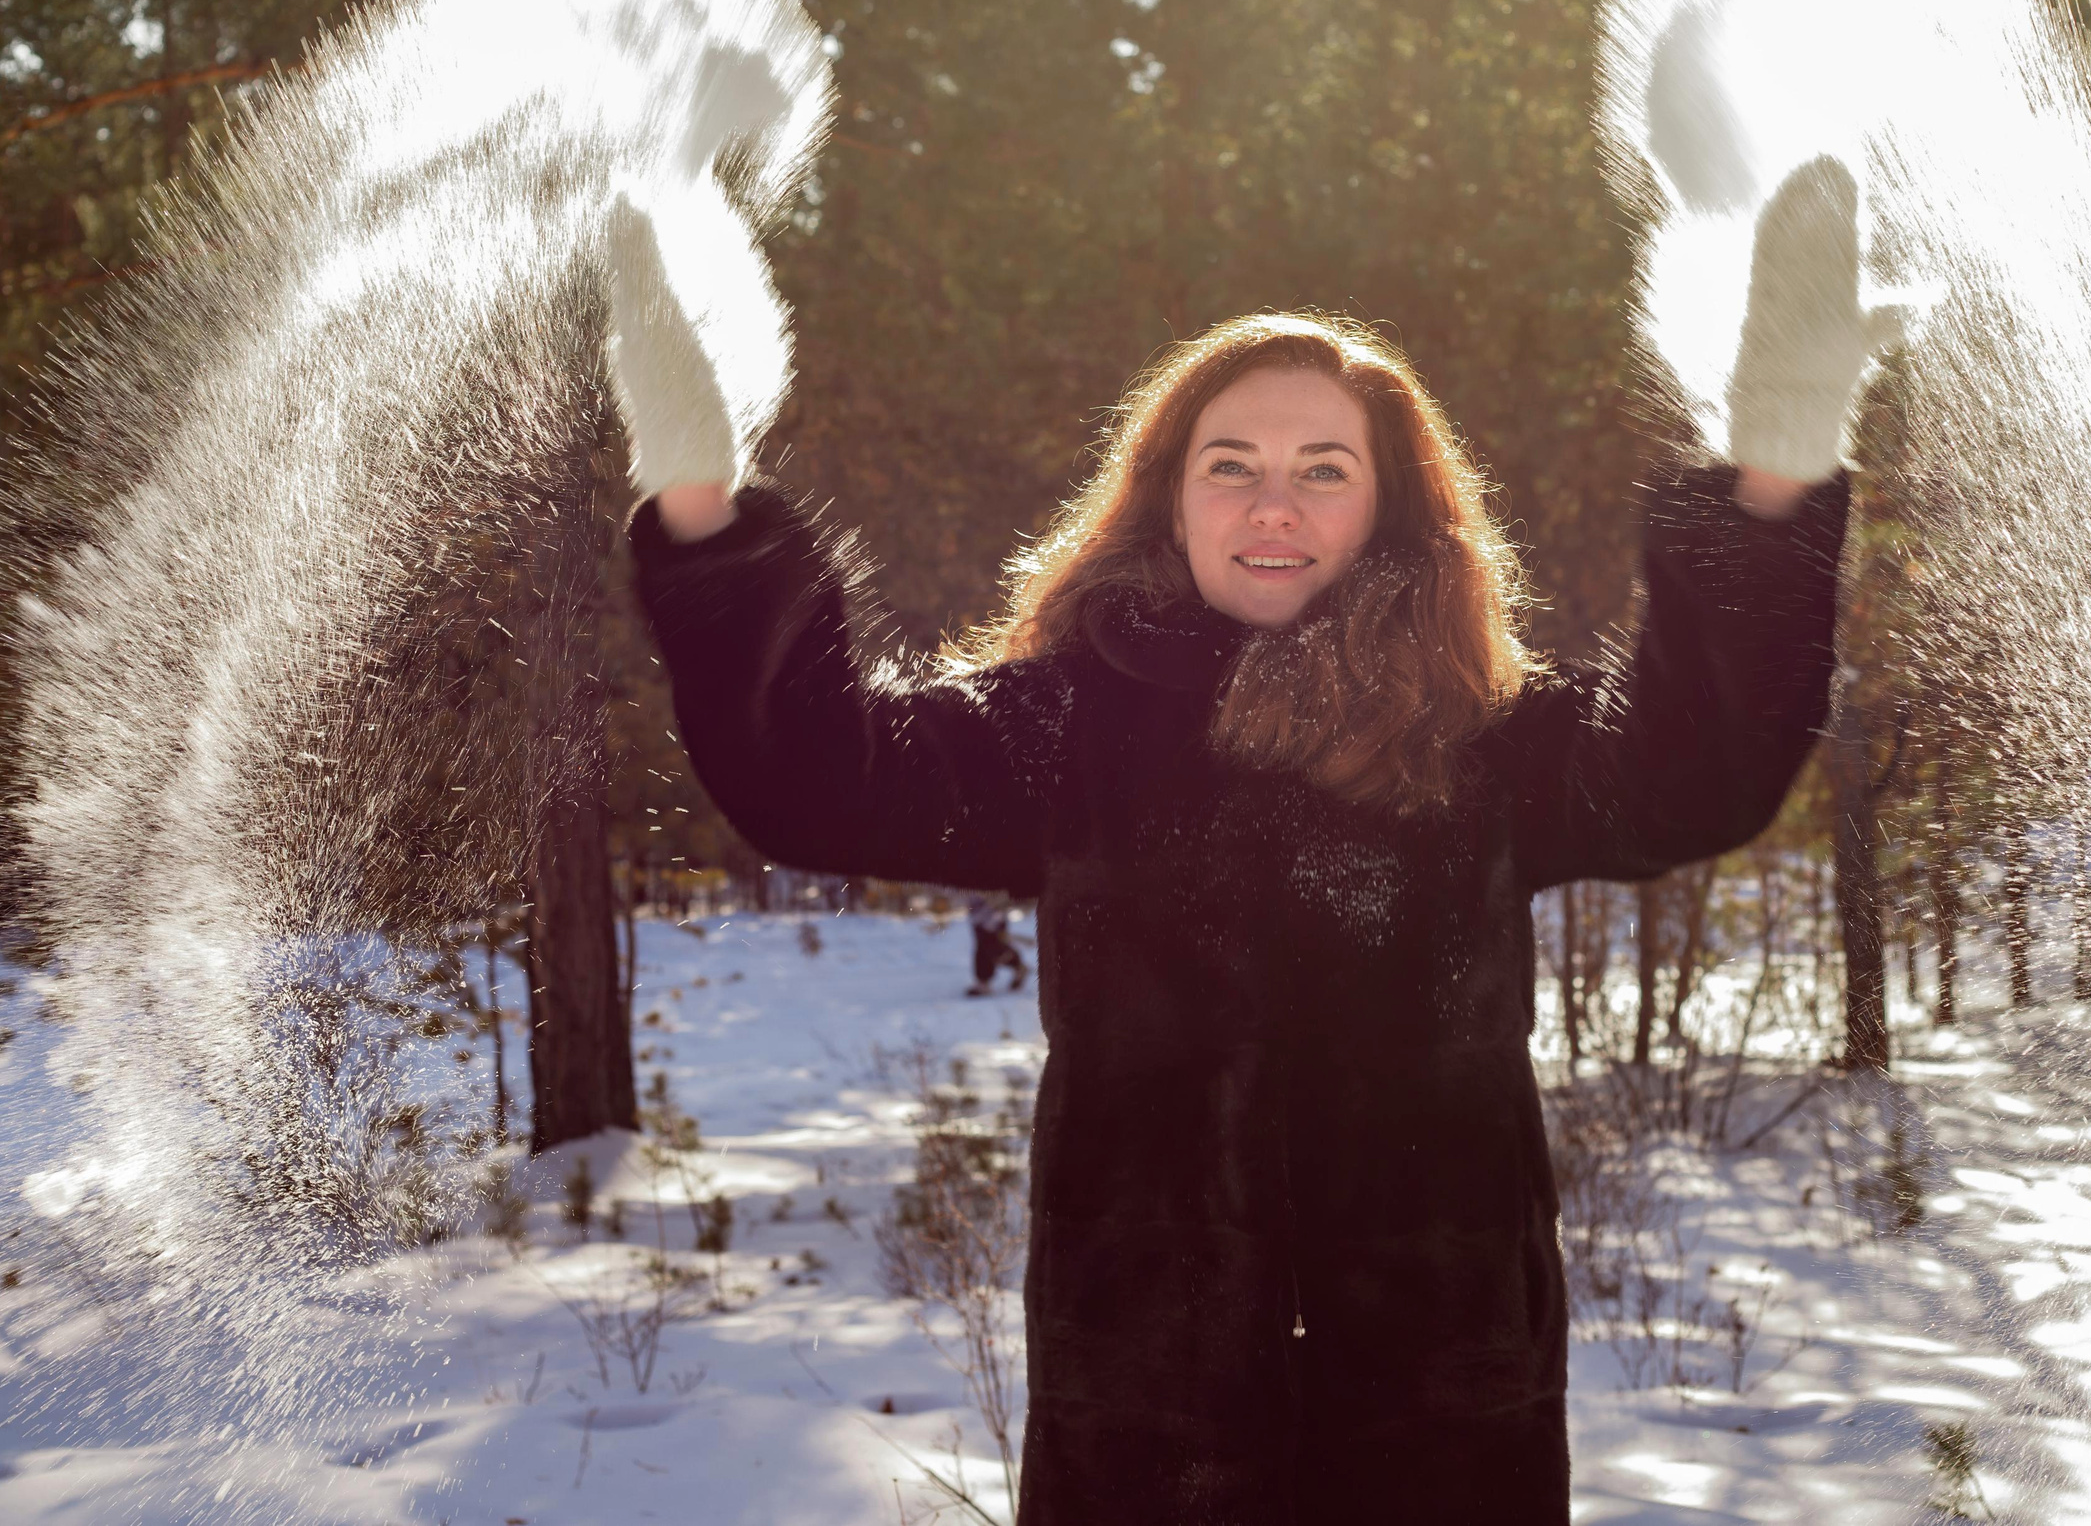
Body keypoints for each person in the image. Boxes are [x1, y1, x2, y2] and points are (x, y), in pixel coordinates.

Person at [611, 154, 1881, 1521]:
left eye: (1323, 469)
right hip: (1152, 1416)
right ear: (1171, 495)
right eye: (1234, 466)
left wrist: (1778, 452)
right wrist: (699, 490)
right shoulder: (1071, 719)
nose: (1275, 505)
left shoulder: (1476, 731)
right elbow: (820, 780)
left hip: (1439, 1412)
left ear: (1388, 506)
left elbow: (1694, 775)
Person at [964, 891, 1029, 995]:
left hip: (993, 915)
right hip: (978, 915)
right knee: (983, 948)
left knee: (994, 949)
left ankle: (1017, 966)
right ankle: (983, 981)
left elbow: (1000, 899)